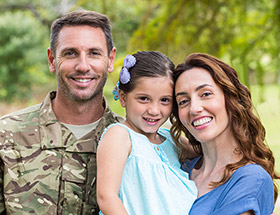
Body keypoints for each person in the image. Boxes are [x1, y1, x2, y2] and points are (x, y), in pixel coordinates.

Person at [0, 10, 123, 214]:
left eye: (94, 53)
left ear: (110, 60)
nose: (83, 66)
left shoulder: (133, 142)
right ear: (51, 60)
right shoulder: (6, 136)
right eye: (70, 53)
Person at [170, 52, 280, 214]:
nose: (194, 108)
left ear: (230, 99)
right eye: (183, 101)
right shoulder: (181, 169)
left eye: (205, 94)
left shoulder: (251, 179)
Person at [96, 51, 198, 215]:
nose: (154, 110)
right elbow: (106, 197)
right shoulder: (120, 136)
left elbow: (209, 151)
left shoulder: (171, 139)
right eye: (144, 98)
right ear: (123, 97)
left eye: (165, 100)